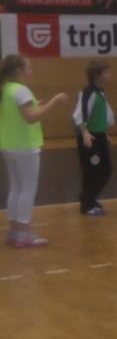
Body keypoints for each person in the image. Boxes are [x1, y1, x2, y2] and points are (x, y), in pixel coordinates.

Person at [0, 55, 67, 248]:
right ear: (18, 71)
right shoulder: (21, 90)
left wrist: (36, 103)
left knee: (16, 188)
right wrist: (54, 102)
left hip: (8, 145)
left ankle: (14, 231)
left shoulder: (6, 89)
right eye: (28, 68)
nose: (31, 71)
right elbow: (31, 117)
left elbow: (18, 111)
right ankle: (24, 234)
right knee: (27, 189)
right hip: (25, 146)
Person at [73, 61, 115, 216]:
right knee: (92, 171)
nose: (109, 75)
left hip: (99, 135)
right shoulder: (88, 92)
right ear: (97, 75)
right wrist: (85, 134)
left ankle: (88, 198)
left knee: (106, 170)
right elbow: (80, 115)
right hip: (90, 137)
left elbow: (100, 115)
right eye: (106, 72)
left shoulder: (100, 92)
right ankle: (87, 205)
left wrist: (105, 133)